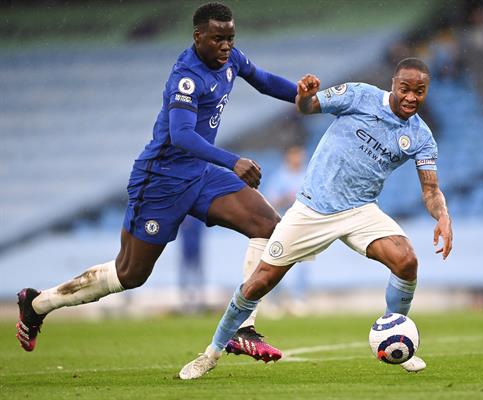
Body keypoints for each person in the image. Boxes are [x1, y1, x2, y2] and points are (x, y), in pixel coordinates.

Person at [16, 2, 298, 363]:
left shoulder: (231, 60)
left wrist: (306, 96)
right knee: (129, 274)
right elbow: (180, 136)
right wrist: (233, 161)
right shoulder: (186, 77)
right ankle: (38, 304)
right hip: (160, 180)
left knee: (269, 226)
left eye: (230, 38)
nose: (226, 46)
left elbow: (263, 79)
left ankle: (241, 329)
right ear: (198, 37)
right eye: (217, 39)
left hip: (200, 173)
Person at [178, 58, 454, 380]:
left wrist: (443, 215)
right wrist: (306, 95)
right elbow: (307, 107)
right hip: (312, 208)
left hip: (361, 210)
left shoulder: (420, 136)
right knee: (259, 282)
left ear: (426, 92)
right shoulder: (360, 95)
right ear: (393, 84)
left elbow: (431, 190)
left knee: (406, 261)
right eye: (405, 89)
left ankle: (394, 334)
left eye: (419, 92)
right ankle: (211, 353)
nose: (411, 97)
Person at [264, 145, 310, 315]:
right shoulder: (279, 177)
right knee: (277, 261)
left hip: (304, 225)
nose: (298, 158)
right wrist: (286, 198)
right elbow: (271, 202)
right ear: (288, 157)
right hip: (283, 225)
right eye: (295, 155)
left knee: (303, 264)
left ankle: (298, 299)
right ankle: (274, 301)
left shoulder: (309, 174)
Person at [178, 216, 205, 313]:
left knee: (196, 277)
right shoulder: (183, 217)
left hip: (196, 251)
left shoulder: (198, 219)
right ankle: (185, 302)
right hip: (186, 252)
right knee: (185, 278)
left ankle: (198, 301)